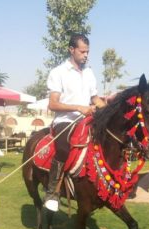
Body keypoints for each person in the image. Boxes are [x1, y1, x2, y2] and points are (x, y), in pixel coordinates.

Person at [45, 33, 106, 211]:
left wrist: (108, 109)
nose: (86, 55)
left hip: (87, 120)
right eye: (82, 51)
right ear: (71, 50)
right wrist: (79, 108)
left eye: (87, 52)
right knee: (65, 146)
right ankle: (52, 192)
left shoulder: (89, 72)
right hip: (65, 121)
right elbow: (53, 104)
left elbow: (95, 98)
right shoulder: (58, 73)